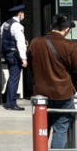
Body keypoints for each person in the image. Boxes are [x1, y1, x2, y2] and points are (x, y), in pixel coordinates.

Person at [30, 14, 77, 149]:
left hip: (41, 94)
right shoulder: (69, 45)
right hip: (63, 93)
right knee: (60, 129)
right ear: (67, 29)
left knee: (42, 129)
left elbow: (30, 66)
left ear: (52, 27)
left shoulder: (35, 42)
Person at [0, 4, 27, 111]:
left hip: (7, 54)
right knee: (14, 78)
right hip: (15, 55)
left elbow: (2, 38)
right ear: (20, 14)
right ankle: (11, 104)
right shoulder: (18, 26)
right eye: (23, 13)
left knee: (12, 77)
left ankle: (8, 100)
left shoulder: (5, 23)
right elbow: (20, 43)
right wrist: (24, 58)